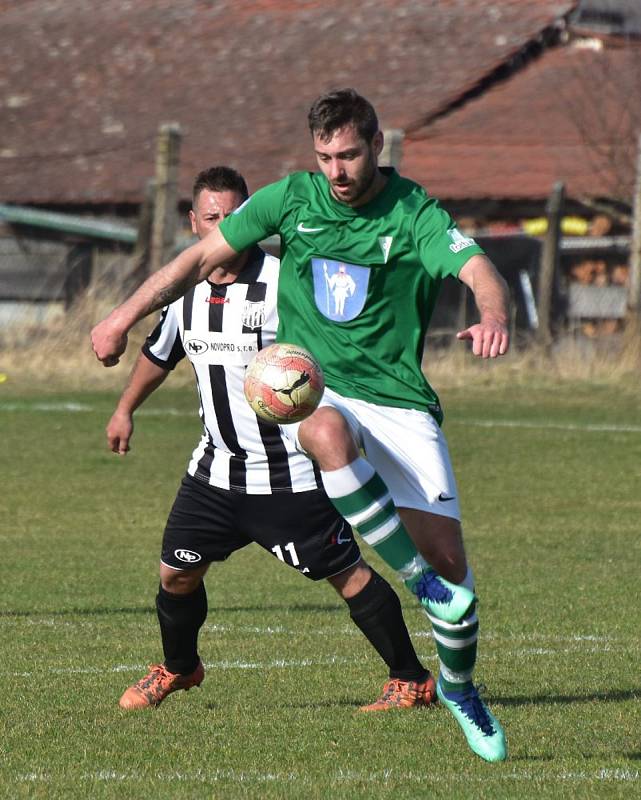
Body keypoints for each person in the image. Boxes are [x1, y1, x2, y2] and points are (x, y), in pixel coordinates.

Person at [91, 91, 510, 762]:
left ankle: (457, 686)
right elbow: (191, 264)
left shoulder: (413, 212)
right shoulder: (291, 198)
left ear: (376, 145)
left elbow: (476, 267)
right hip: (321, 392)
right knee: (319, 431)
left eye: (347, 155)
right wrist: (120, 316)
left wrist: (493, 315)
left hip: (397, 400)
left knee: (453, 568)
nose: (336, 171)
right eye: (324, 158)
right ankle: (416, 588)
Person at [108, 166, 435, 713]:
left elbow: (340, 344)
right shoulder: (181, 291)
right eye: (214, 218)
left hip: (290, 474)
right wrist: (124, 409)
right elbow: (159, 353)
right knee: (176, 572)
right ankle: (180, 668)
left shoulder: (287, 280)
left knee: (346, 576)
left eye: (236, 216)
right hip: (214, 472)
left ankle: (410, 678)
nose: (226, 227)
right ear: (194, 223)